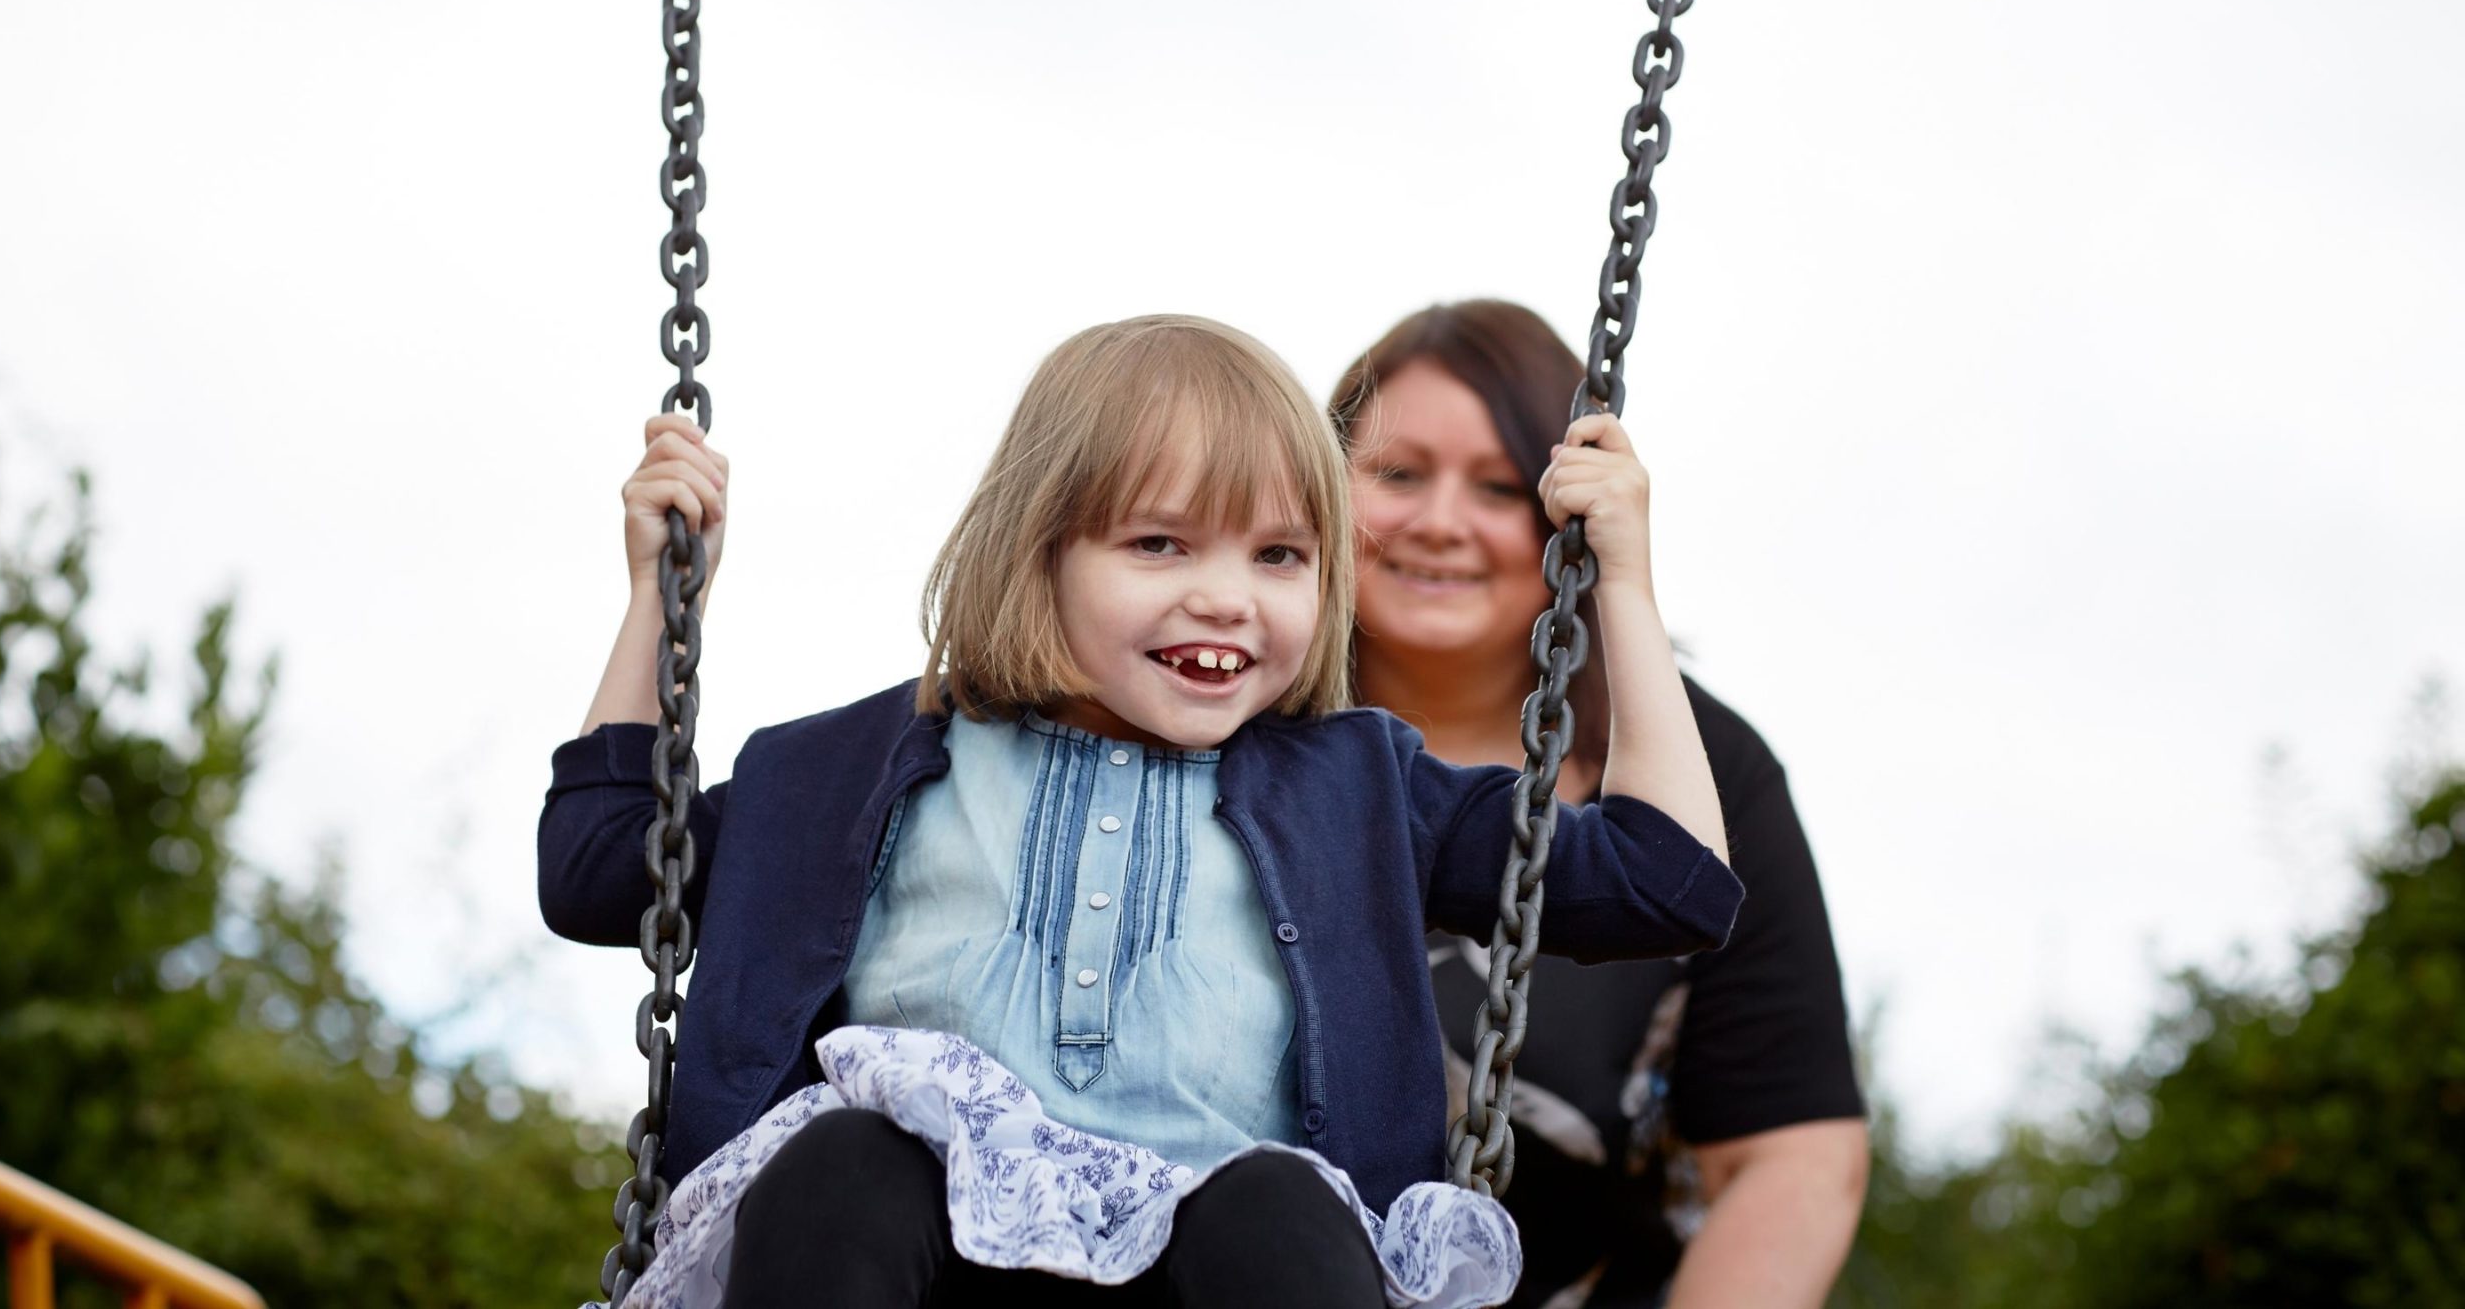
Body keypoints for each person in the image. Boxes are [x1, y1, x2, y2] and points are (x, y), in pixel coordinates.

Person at [539, 313, 1743, 1309]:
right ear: (1037, 553)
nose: (1226, 599)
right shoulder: (851, 772)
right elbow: (600, 870)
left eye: (1279, 557)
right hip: (924, 1265)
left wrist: (1621, 586)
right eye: (1160, 544)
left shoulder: (1356, 792)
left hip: (1207, 1271)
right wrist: (660, 595)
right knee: (841, 1160)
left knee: (1281, 1206)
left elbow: (1666, 882)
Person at [1329, 301, 1869, 1309]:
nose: (1440, 521)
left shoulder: (1696, 779)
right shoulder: (1217, 722)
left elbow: (1788, 1161)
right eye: (1399, 474)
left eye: (1499, 487)